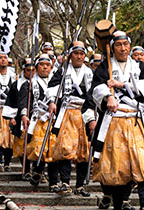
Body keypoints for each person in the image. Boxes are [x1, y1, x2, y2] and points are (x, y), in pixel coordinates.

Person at [89, 31, 144, 210]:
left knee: (143, 163)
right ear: (112, 48)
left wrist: (122, 85)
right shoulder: (105, 67)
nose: (123, 48)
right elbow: (96, 87)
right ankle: (118, 204)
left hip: (136, 120)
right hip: (114, 122)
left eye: (125, 44)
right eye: (118, 45)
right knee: (116, 168)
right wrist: (107, 97)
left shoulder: (140, 67)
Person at [48, 41, 93, 196]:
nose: (79, 57)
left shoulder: (89, 73)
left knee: (83, 151)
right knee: (65, 148)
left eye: (82, 54)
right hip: (66, 113)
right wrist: (53, 101)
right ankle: (65, 182)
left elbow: (93, 95)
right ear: (70, 55)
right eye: (76, 53)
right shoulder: (62, 71)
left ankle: (80, 185)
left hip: (84, 114)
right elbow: (52, 87)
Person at [19, 54, 59, 191]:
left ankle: (54, 182)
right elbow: (24, 101)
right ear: (36, 68)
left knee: (53, 150)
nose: (45, 67)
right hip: (38, 119)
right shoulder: (29, 84)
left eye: (47, 65)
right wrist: (24, 114)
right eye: (42, 65)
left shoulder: (57, 82)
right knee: (39, 149)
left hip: (54, 120)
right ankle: (37, 171)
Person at [2, 57, 33, 178]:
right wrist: (12, 117)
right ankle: (26, 169)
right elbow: (11, 101)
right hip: (20, 117)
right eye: (28, 70)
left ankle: (36, 170)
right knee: (22, 146)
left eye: (33, 70)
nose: (31, 73)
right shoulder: (16, 84)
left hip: (36, 116)